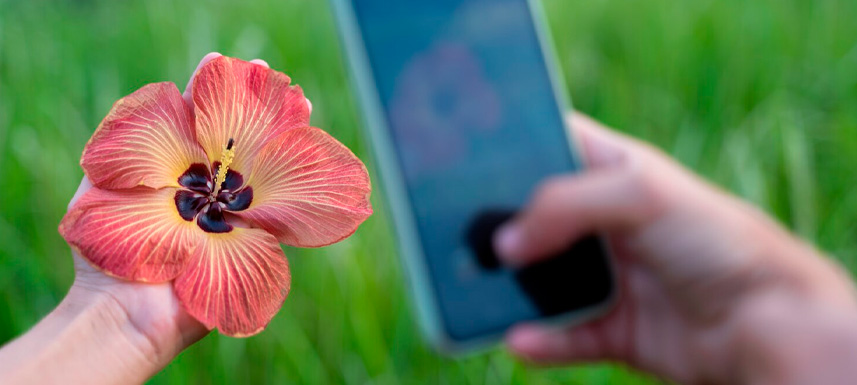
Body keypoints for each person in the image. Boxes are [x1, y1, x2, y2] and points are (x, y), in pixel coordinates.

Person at [2, 54, 857, 385]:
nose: (219, 188)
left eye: (225, 184)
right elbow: (118, 210)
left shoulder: (256, 188)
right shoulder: (177, 173)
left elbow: (335, 194)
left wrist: (764, 309)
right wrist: (110, 314)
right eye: (212, 185)